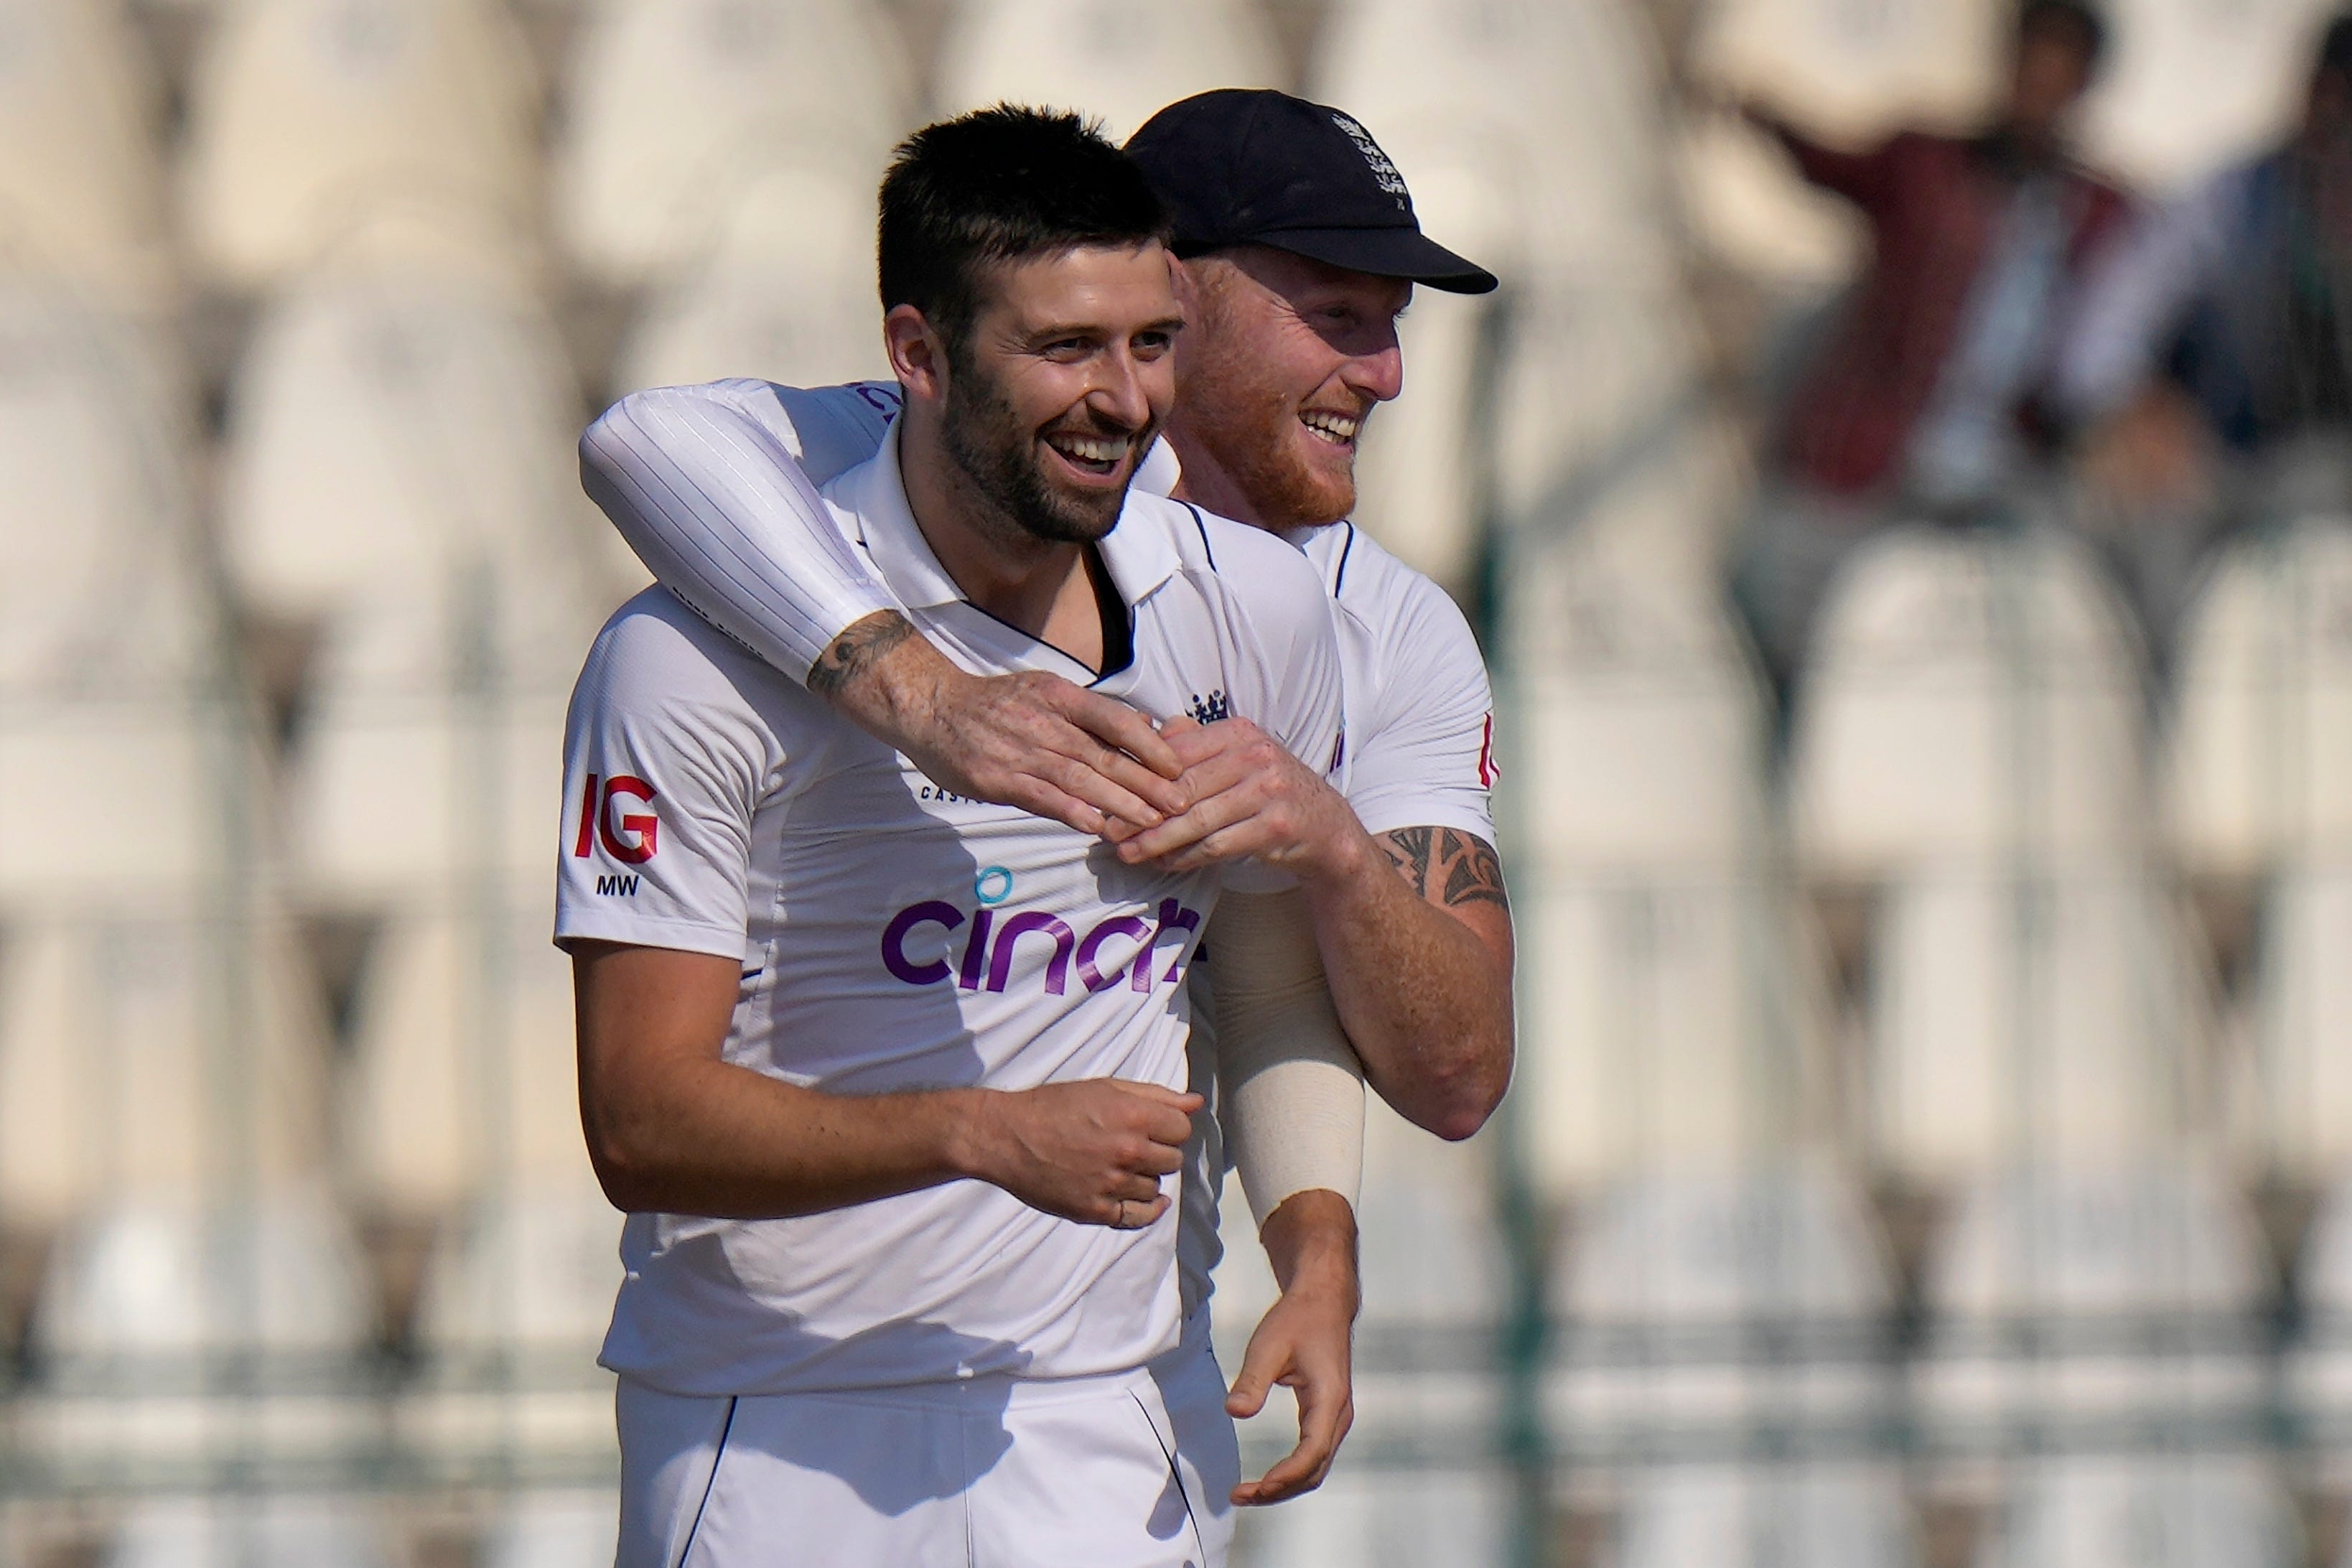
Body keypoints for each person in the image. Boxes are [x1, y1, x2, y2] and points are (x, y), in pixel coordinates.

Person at [579, 87, 1516, 1524]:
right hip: (771, 1426)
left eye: (1141, 346)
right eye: (1071, 346)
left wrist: (1315, 1247)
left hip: (1108, 1412)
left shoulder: (1279, 615)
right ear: (921, 357)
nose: (1383, 371)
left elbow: (1303, 996)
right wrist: (981, 1127)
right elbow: (638, 1126)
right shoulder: (700, 639)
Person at [1727, 0, 2130, 691]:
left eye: (2059, 74)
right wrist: (1760, 115)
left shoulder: (2099, 214)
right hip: (1885, 454)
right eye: (2029, 65)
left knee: (2097, 602)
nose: (2038, 89)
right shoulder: (1924, 166)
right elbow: (1829, 165)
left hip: (2010, 470)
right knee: (1775, 580)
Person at [2057, 11, 2352, 653]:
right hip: (2233, 470)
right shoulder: (2235, 196)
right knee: (2150, 525)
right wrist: (2132, 403)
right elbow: (2108, 324)